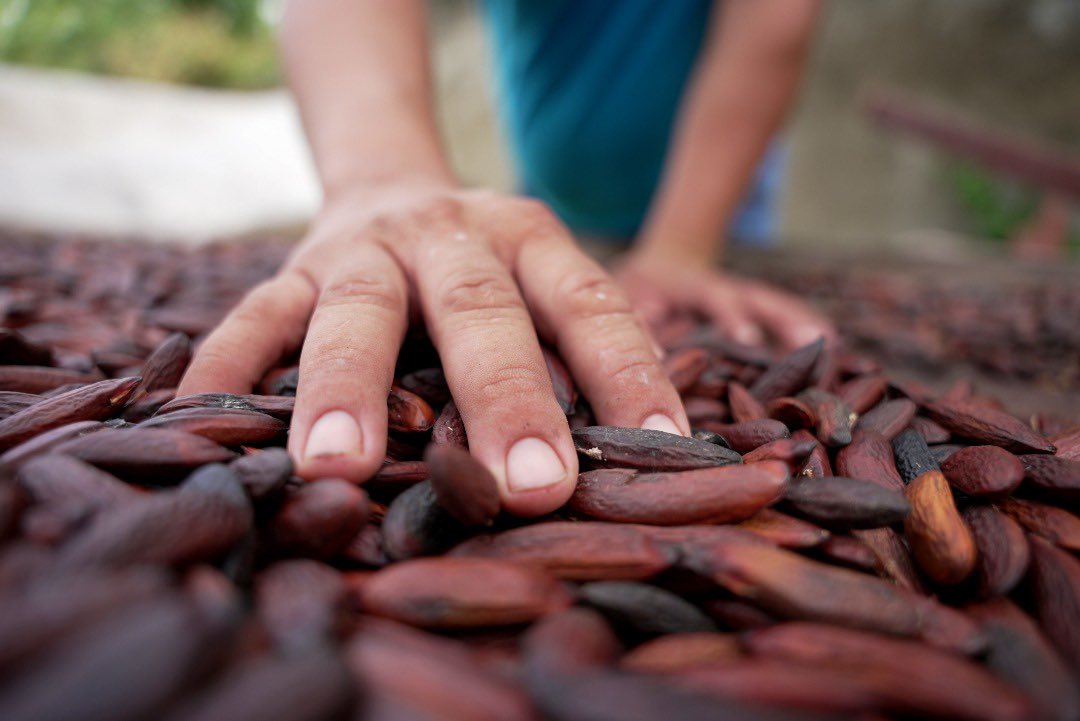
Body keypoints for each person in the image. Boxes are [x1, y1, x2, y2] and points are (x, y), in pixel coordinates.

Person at [179, 0, 832, 517]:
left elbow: (772, 21)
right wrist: (382, 180)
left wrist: (680, 247)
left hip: (715, 186)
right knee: (507, 294)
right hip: (551, 190)